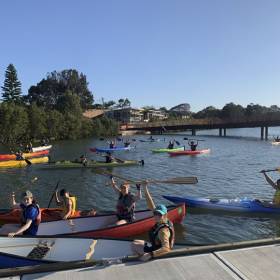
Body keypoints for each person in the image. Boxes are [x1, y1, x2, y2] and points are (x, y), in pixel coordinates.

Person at [131, 182, 174, 261]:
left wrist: (150, 254)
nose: (156, 216)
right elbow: (150, 204)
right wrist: (145, 187)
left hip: (158, 253)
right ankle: (140, 256)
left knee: (134, 245)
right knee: (136, 241)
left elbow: (166, 248)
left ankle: (140, 260)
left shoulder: (163, 231)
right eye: (155, 213)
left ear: (164, 215)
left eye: (159, 214)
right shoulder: (165, 220)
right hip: (156, 246)